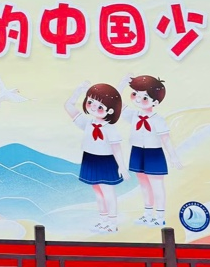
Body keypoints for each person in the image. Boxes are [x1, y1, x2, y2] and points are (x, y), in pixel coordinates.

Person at [118, 74, 182, 227]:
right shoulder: (133, 115)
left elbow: (166, 139)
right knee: (143, 184)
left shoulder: (158, 120)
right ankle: (147, 214)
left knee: (157, 185)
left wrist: (173, 157)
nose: (138, 99)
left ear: (155, 102)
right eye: (135, 95)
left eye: (145, 98)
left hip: (154, 154)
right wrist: (122, 84)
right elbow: (117, 102)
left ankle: (159, 216)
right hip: (137, 152)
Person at [64, 81, 129, 234]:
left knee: (108, 192)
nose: (93, 106)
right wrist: (78, 90)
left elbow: (116, 149)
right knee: (98, 192)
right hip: (90, 159)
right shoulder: (87, 123)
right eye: (90, 101)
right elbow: (68, 106)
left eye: (99, 106)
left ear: (111, 110)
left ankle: (112, 222)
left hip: (105, 161)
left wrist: (122, 167)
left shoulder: (110, 129)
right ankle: (103, 220)